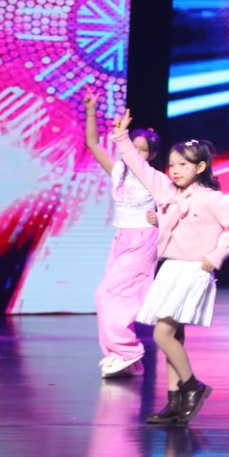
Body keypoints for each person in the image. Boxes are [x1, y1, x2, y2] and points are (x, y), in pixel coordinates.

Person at [114, 111, 229, 424]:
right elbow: (139, 167)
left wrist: (215, 256)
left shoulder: (210, 198)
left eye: (183, 165)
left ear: (200, 167)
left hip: (193, 270)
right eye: (172, 165)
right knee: (173, 337)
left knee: (162, 334)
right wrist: (122, 137)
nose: (175, 170)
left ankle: (193, 387)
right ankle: (174, 403)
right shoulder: (167, 191)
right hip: (170, 269)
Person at [83, 90, 159, 379]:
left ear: (152, 155)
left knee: (106, 293)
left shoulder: (154, 178)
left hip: (143, 240)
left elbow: (178, 206)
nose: (136, 153)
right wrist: (91, 110)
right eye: (133, 147)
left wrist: (162, 218)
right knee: (120, 299)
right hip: (122, 239)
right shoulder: (117, 171)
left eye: (143, 150)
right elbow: (92, 143)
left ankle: (127, 350)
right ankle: (128, 361)